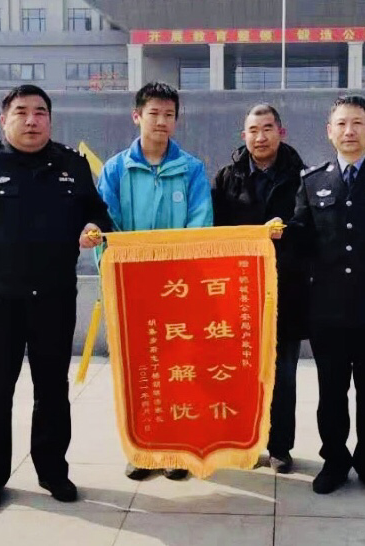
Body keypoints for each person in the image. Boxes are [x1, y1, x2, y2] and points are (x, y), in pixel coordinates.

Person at [0, 84, 111, 511]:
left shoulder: (71, 165)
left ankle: (52, 470)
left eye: (40, 112)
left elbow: (98, 213)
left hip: (54, 299)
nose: (32, 120)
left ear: (50, 120)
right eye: (21, 112)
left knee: (52, 390)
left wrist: (92, 228)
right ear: (4, 119)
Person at [282, 94, 365, 498]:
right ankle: (335, 462)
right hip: (327, 308)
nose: (349, 131)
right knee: (331, 392)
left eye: (357, 123)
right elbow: (301, 237)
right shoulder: (313, 180)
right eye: (341, 124)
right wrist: (275, 233)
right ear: (329, 131)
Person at [96, 81, 213, 481]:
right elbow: (106, 227)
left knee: (180, 370)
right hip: (133, 290)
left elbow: (200, 223)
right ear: (137, 116)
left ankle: (177, 449)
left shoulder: (192, 169)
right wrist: (121, 275)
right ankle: (142, 448)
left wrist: (182, 276)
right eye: (154, 113)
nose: (161, 121)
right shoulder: (116, 169)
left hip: (179, 289)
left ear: (176, 121)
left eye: (169, 115)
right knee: (138, 370)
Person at [211, 103, 309, 474]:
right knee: (239, 374)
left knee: (283, 376)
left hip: (286, 292)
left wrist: (289, 231)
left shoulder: (303, 176)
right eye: (253, 130)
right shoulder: (227, 177)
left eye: (268, 128)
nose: (261, 137)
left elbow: (312, 227)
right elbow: (213, 230)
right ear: (244, 135)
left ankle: (280, 446)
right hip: (238, 293)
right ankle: (244, 444)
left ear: (281, 132)